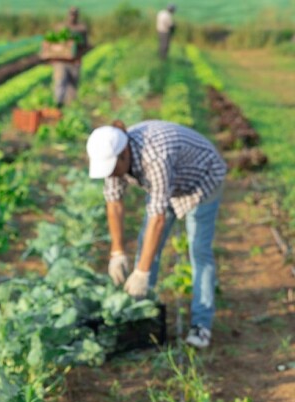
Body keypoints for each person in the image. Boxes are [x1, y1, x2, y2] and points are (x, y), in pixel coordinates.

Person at [86, 120, 227, 349]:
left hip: (202, 180)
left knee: (199, 251)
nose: (110, 174)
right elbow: (114, 202)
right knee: (147, 244)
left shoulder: (155, 157)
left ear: (124, 155)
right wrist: (117, 251)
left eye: (113, 168)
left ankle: (201, 325)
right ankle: (141, 312)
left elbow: (158, 218)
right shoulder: (116, 157)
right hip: (170, 183)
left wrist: (141, 272)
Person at [51, 6, 89, 107]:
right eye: (71, 14)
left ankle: (70, 105)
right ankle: (58, 104)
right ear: (68, 15)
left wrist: (79, 52)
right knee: (60, 82)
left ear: (77, 15)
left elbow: (85, 45)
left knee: (73, 84)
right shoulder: (60, 27)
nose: (72, 16)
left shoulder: (81, 28)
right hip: (61, 61)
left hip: (74, 61)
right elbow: (53, 44)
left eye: (74, 14)